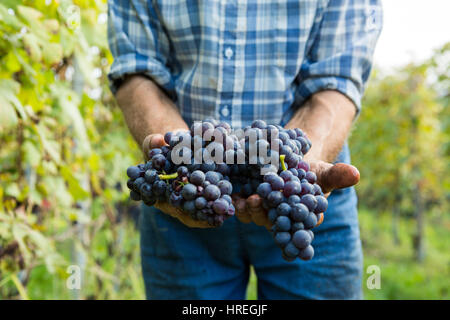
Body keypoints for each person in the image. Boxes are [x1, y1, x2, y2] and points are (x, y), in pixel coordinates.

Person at [107, 0, 382, 299]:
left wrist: (305, 157)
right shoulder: (183, 181)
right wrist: (171, 146)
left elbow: (336, 80)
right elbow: (136, 69)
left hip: (303, 186)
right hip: (186, 192)